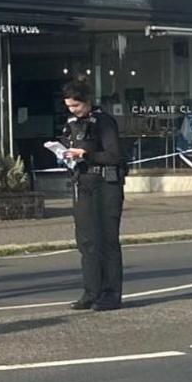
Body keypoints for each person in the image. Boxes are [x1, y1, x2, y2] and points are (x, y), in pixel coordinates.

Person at [60, 78, 126, 311]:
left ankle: (111, 293)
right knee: (87, 241)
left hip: (106, 184)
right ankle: (91, 291)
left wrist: (86, 154)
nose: (73, 110)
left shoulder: (104, 122)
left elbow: (114, 155)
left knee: (107, 239)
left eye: (76, 106)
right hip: (83, 183)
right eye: (69, 106)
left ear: (87, 101)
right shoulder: (71, 123)